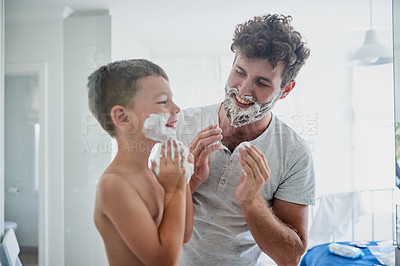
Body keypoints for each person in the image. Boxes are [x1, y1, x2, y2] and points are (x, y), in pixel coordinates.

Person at [176, 14, 315, 265]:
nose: (242, 91)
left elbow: (291, 256)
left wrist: (252, 201)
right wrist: (188, 182)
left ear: (286, 90)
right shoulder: (182, 125)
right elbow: (150, 219)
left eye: (261, 83)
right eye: (239, 72)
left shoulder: (294, 154)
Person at [88, 59, 193, 266]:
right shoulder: (114, 184)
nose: (177, 108)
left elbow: (184, 234)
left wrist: (184, 176)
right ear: (124, 118)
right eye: (164, 102)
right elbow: (164, 262)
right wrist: (175, 189)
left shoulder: (153, 171)